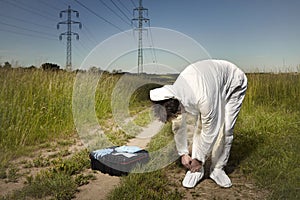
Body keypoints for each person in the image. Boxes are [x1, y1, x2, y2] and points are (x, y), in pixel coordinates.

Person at [150, 59, 247, 188]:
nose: (176, 117)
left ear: (178, 108)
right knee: (200, 125)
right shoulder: (175, 93)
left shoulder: (204, 99)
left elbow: (211, 130)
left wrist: (199, 159)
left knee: (226, 128)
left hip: (233, 82)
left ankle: (217, 169)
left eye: (174, 115)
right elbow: (178, 124)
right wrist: (183, 153)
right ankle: (197, 170)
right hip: (210, 82)